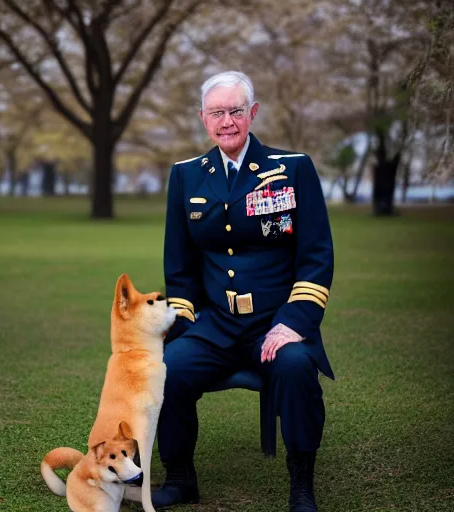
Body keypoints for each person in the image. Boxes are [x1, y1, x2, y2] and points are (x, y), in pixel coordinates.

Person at [153, 71, 334, 511]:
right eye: (217, 112)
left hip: (275, 321)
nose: (227, 121)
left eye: (236, 110)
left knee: (294, 366)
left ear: (252, 114)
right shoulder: (187, 176)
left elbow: (316, 256)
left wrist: (293, 324)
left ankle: (302, 486)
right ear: (203, 119)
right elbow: (179, 268)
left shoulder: (291, 169)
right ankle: (180, 478)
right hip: (215, 322)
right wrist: (183, 321)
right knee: (167, 369)